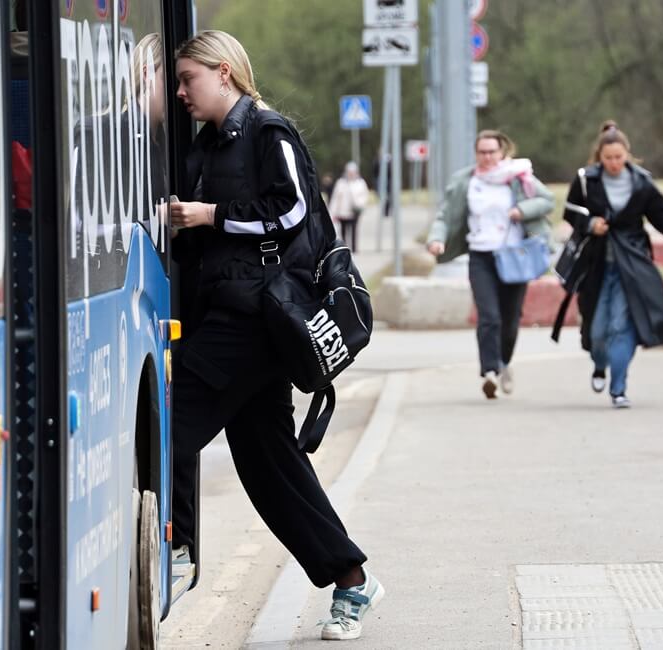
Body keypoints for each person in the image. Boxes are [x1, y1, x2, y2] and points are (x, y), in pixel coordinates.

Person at [167, 30, 383, 641]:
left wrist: (211, 216)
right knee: (269, 466)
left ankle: (177, 547)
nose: (182, 91)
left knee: (164, 422)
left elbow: (294, 214)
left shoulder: (270, 132)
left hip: (257, 320)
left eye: (190, 79)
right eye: (178, 82)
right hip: (229, 312)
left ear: (225, 74)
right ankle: (353, 580)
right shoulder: (208, 144)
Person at [560, 120, 663, 408]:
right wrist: (590, 223)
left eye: (619, 158)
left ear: (627, 154)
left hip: (631, 265)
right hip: (595, 266)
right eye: (608, 159)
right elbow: (570, 212)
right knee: (597, 330)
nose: (614, 164)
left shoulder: (643, 183)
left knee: (621, 325)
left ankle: (619, 388)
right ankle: (599, 364)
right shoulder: (585, 180)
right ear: (599, 158)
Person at [425, 130, 555, 399]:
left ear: (502, 152)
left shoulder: (519, 178)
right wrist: (437, 239)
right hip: (481, 255)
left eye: (491, 152)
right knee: (489, 316)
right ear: (476, 154)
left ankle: (504, 362)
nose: (486, 157)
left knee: (510, 319)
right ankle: (489, 372)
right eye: (481, 152)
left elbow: (547, 201)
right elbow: (445, 216)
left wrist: (523, 211)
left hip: (514, 256)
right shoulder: (466, 182)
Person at [328, 161, 370, 251]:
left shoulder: (360, 183)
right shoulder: (341, 183)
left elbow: (365, 196)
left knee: (354, 229)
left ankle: (354, 248)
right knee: (343, 230)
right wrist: (332, 212)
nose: (351, 174)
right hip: (343, 212)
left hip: (354, 211)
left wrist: (359, 204)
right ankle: (345, 247)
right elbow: (335, 198)